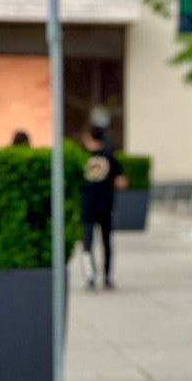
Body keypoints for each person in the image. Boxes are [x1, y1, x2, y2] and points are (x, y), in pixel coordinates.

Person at [79, 121, 127, 290]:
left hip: (87, 206)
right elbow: (121, 182)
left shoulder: (82, 158)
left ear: (89, 138)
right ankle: (107, 277)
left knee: (87, 244)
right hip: (106, 205)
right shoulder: (110, 157)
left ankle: (90, 277)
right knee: (106, 243)